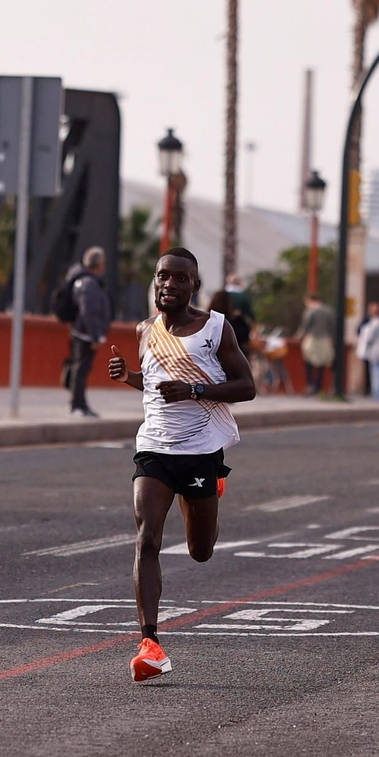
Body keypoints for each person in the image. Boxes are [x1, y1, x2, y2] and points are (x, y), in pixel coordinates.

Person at [107, 247, 256, 682]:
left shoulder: (215, 328)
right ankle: (150, 644)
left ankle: (213, 490)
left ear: (194, 286)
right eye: (162, 276)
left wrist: (195, 391)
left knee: (200, 551)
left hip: (200, 450)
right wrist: (128, 378)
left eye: (179, 278)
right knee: (146, 538)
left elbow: (246, 386)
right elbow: (157, 384)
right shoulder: (145, 330)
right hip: (154, 447)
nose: (169, 284)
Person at [63, 247, 112, 417]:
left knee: (82, 369)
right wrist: (95, 336)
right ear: (99, 264)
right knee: (80, 369)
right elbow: (88, 312)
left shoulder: (86, 281)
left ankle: (80, 403)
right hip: (84, 334)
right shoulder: (88, 283)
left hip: (83, 332)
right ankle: (77, 405)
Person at [294, 294, 336, 395]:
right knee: (322, 364)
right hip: (325, 339)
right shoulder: (329, 311)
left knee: (309, 362)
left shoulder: (310, 312)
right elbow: (333, 326)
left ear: (310, 300)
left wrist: (298, 336)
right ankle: (319, 387)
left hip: (312, 338)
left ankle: (310, 385)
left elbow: (305, 326)